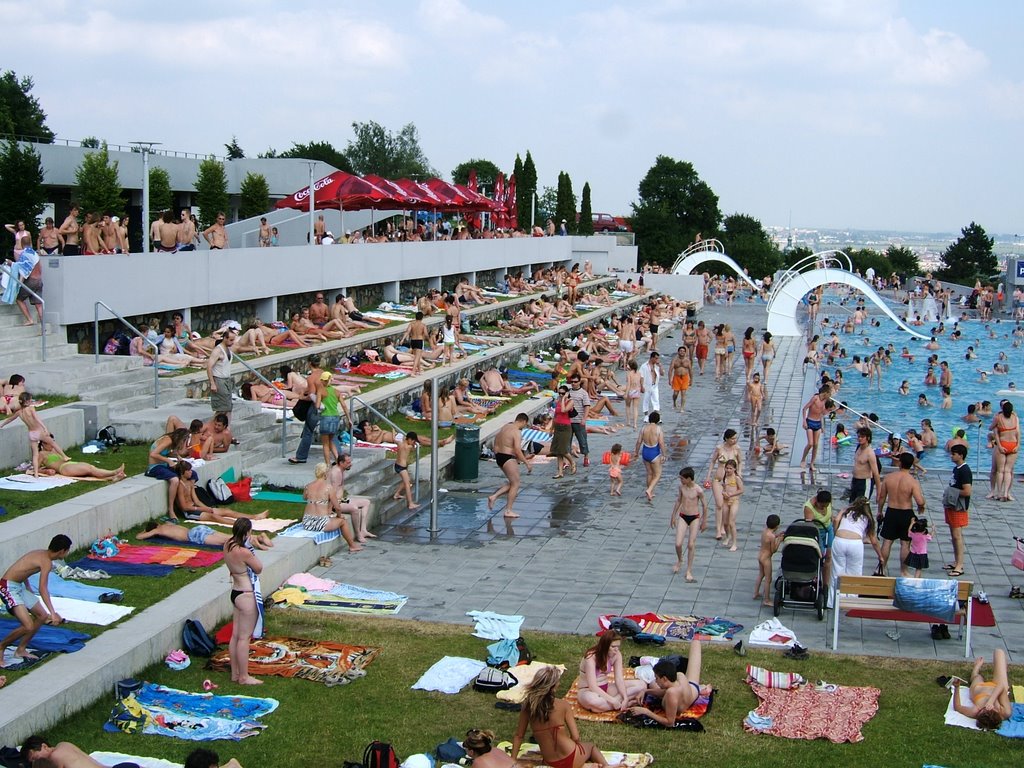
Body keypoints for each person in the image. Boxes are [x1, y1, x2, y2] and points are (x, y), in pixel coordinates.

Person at [511, 666, 612, 768]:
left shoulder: (528, 708)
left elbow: (519, 736)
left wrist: (512, 762)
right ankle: (606, 766)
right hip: (571, 757)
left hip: (550, 762)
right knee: (590, 747)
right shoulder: (563, 705)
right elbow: (576, 737)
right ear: (553, 686)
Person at [0, 535, 70, 661]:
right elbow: (43, 588)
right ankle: (1, 647)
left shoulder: (40, 553)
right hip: (8, 586)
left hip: (19, 586)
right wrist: (53, 613)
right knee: (28, 625)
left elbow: (24, 569)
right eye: (67, 551)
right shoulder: (46, 562)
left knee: (42, 616)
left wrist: (27, 587)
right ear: (62, 551)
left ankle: (21, 650)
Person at [629, 638, 710, 727]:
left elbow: (670, 723)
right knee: (695, 652)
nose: (656, 680)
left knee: (652, 684)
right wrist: (645, 691)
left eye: (657, 678)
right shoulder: (678, 676)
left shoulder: (671, 693)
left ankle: (702, 687)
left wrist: (646, 712)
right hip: (691, 688)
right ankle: (696, 638)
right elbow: (663, 692)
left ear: (664, 678)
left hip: (690, 691)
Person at [223, 519, 263, 685]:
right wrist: (251, 549)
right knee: (244, 638)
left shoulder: (227, 544)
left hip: (235, 591)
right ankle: (244, 677)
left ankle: (235, 673)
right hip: (246, 593)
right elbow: (258, 568)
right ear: (247, 533)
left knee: (235, 635)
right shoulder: (243, 551)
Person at [876, 452, 926, 577]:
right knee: (905, 544)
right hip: (906, 513)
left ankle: (881, 568)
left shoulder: (889, 478)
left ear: (900, 463)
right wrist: (922, 506)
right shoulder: (912, 481)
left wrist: (879, 511)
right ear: (911, 465)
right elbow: (919, 500)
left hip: (891, 511)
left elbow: (881, 497)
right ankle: (903, 571)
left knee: (887, 542)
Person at [576, 630, 646, 712]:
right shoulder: (591, 657)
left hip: (606, 688)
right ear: (605, 646)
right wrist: (613, 701)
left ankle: (620, 703)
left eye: (618, 646)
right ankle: (621, 704)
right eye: (613, 647)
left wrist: (625, 697)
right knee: (593, 701)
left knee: (642, 685)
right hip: (588, 691)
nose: (616, 649)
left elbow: (619, 679)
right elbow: (592, 686)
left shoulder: (617, 655)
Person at [302, 462, 362, 552]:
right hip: (321, 523)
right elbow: (337, 507)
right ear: (326, 473)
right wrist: (339, 516)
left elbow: (304, 498)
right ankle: (352, 545)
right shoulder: (328, 488)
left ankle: (352, 545)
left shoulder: (308, 486)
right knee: (343, 522)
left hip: (307, 522)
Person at [830, 497, 883, 592]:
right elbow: (874, 541)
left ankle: (832, 602)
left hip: (839, 541)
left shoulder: (846, 513)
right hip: (855, 544)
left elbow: (836, 520)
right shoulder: (867, 518)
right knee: (854, 574)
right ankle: (850, 599)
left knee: (836, 572)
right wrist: (880, 556)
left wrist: (835, 533)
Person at [951, 650, 1014, 729]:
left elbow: (958, 707)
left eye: (982, 710)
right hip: (996, 687)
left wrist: (957, 687)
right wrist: (991, 700)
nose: (984, 707)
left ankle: (976, 669)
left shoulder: (975, 711)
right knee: (999, 652)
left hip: (979, 688)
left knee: (978, 677)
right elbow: (1001, 686)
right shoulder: (1005, 712)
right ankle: (1002, 670)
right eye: (988, 709)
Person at [487, 414, 532, 517]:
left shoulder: (505, 427)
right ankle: (508, 510)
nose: (524, 427)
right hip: (508, 458)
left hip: (499, 456)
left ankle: (494, 497)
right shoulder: (517, 432)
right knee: (516, 484)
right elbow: (517, 449)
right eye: (525, 425)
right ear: (524, 421)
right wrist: (526, 462)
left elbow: (496, 440)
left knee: (513, 482)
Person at [328, 454, 375, 543]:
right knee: (354, 509)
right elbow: (332, 492)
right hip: (336, 503)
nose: (351, 464)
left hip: (341, 500)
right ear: (341, 463)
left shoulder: (340, 470)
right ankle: (358, 534)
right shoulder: (336, 473)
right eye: (348, 462)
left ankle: (363, 530)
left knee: (366, 502)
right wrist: (329, 509)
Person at [704, 429, 741, 538]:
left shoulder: (737, 449)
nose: (734, 440)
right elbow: (712, 462)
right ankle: (718, 530)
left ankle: (725, 525)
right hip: (718, 480)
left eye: (735, 438)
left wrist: (739, 473)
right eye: (732, 438)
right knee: (719, 504)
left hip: (731, 482)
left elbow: (740, 462)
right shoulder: (719, 448)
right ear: (726, 438)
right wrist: (707, 477)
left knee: (728, 504)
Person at [139, 520, 273, 550]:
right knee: (227, 536)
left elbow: (139, 537)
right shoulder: (167, 524)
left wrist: (147, 532)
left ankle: (252, 542)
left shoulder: (159, 530)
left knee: (226, 542)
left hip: (194, 535)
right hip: (198, 529)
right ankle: (258, 537)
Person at [671, 467, 705, 581]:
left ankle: (689, 570)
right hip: (683, 516)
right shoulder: (681, 487)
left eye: (682, 479)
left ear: (689, 479)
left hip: (694, 517)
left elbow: (705, 505)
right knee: (678, 544)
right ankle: (680, 560)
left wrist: (704, 521)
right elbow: (679, 500)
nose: (681, 481)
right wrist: (673, 516)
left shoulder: (698, 490)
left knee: (691, 544)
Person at [943, 444, 972, 578]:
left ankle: (960, 565)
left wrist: (952, 492)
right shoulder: (957, 469)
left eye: (954, 454)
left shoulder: (965, 471)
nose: (951, 456)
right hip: (952, 505)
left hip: (959, 507)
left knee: (957, 536)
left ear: (960, 455)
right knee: (953, 536)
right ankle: (956, 561)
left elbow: (967, 491)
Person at [288, 356, 324, 465]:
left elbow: (312, 394)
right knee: (330, 433)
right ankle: (339, 456)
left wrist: (302, 397)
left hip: (316, 406)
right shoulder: (323, 373)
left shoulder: (311, 377)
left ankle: (301, 456)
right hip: (326, 402)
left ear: (309, 363)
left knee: (308, 431)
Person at [20, 736, 121, 768]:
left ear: (44, 746)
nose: (35, 762)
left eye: (35, 758)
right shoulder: (63, 744)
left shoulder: (55, 757)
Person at [989, 400, 1019, 501]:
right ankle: (1006, 493)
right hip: (1013, 444)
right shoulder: (1015, 418)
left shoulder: (998, 418)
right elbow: (1018, 432)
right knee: (1008, 471)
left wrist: (995, 423)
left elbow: (991, 428)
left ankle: (999, 493)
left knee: (1000, 471)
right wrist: (1018, 445)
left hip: (1003, 444)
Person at [803, 489, 834, 585]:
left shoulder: (828, 502)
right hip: (816, 531)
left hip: (828, 529)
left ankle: (826, 584)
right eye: (822, 506)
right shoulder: (809, 508)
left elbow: (831, 516)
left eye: (826, 506)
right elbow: (809, 525)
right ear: (817, 502)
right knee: (819, 555)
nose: (824, 507)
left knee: (828, 556)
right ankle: (815, 576)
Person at [634, 411, 666, 501]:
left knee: (649, 473)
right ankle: (649, 490)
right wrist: (664, 454)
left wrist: (636, 452)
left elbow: (639, 441)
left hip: (645, 452)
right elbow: (661, 443)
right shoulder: (658, 429)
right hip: (654, 452)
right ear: (658, 420)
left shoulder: (644, 428)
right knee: (657, 474)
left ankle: (650, 492)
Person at [207, 324, 237, 416]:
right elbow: (209, 367)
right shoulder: (217, 351)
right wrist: (212, 383)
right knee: (221, 409)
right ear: (225, 338)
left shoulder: (228, 349)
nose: (232, 342)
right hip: (219, 380)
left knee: (228, 407)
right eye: (231, 340)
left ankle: (227, 428)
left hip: (226, 380)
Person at [800, 384, 831, 470]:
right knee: (810, 443)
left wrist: (822, 426)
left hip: (818, 423)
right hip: (810, 421)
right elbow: (805, 408)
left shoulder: (825, 401)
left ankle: (812, 463)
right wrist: (804, 421)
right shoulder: (815, 398)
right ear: (825, 393)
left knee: (816, 444)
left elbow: (821, 414)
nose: (830, 396)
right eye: (829, 394)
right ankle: (803, 459)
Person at [754, 514, 782, 606]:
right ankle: (767, 599)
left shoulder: (765, 531)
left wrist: (777, 536)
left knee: (761, 575)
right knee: (768, 579)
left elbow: (768, 539)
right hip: (766, 559)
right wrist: (779, 540)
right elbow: (773, 550)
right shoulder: (772, 537)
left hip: (760, 556)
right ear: (777, 526)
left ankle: (756, 592)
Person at [550, 385, 576, 478]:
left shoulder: (570, 401)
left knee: (563, 450)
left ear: (567, 393)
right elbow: (555, 416)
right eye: (559, 393)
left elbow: (563, 410)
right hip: (557, 426)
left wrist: (564, 398)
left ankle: (572, 462)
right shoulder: (557, 401)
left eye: (563, 393)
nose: (560, 395)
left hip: (565, 427)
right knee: (558, 451)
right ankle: (560, 472)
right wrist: (551, 428)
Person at [566, 376, 592, 467]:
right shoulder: (568, 392)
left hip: (579, 420)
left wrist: (584, 419)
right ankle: (568, 460)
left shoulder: (583, 393)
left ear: (579, 382)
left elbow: (587, 406)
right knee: (567, 441)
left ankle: (586, 457)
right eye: (572, 381)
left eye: (575, 381)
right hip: (568, 421)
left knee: (582, 440)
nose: (573, 383)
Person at [850, 427, 881, 501]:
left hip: (864, 482)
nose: (860, 438)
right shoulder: (858, 448)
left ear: (868, 438)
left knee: (862, 506)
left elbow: (876, 473)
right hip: (855, 480)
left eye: (862, 437)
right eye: (859, 436)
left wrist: (878, 492)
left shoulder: (870, 453)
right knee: (851, 505)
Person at [720, 459, 744, 551]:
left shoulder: (736, 478)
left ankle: (734, 543)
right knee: (725, 523)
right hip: (726, 501)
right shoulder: (725, 477)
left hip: (734, 501)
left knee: (731, 522)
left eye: (730, 468)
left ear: (734, 469)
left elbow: (741, 490)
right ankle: (728, 536)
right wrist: (724, 492)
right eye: (727, 468)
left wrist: (731, 495)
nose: (728, 470)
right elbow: (724, 488)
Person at [639, 351, 661, 418]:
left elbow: (662, 373)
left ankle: (657, 416)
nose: (657, 360)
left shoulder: (656, 366)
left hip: (655, 385)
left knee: (656, 400)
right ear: (652, 358)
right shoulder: (644, 366)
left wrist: (660, 366)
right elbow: (641, 376)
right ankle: (646, 415)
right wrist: (642, 386)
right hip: (647, 385)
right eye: (656, 358)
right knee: (646, 400)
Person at [670, 346, 691, 412]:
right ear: (678, 352)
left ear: (685, 352)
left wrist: (691, 380)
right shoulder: (674, 360)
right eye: (681, 351)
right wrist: (669, 379)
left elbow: (690, 370)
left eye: (683, 351)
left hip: (685, 377)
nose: (682, 352)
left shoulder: (687, 360)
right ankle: (674, 402)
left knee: (683, 393)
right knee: (675, 394)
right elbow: (670, 370)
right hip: (676, 377)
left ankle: (682, 408)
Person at [623, 359, 643, 429]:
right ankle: (635, 424)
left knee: (628, 406)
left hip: (631, 390)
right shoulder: (639, 373)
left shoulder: (629, 374)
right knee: (635, 408)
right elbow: (641, 382)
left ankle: (628, 422)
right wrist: (642, 388)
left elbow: (628, 384)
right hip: (637, 390)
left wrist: (626, 393)